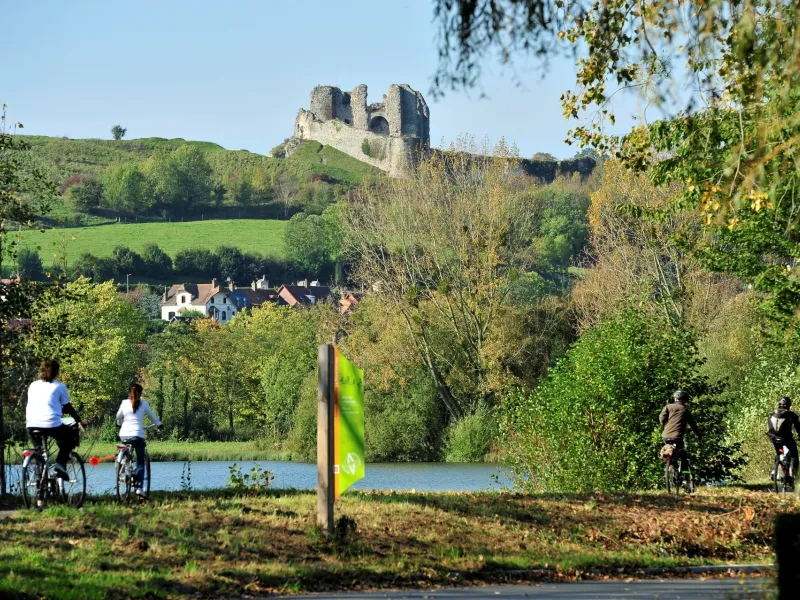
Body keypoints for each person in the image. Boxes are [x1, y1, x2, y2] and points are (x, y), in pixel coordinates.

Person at [26, 359, 85, 479]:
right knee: (69, 437)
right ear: (56, 372)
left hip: (31, 424)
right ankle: (60, 464)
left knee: (39, 453)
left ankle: (40, 484)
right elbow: (67, 407)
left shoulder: (33, 385)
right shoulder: (59, 386)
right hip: (51, 424)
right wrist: (79, 420)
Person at [116, 383, 162, 497]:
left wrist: (120, 423)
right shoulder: (144, 404)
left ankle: (126, 474)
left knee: (127, 456)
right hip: (137, 435)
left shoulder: (124, 403)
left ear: (129, 393)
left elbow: (118, 417)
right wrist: (159, 424)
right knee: (140, 462)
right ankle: (139, 488)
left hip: (124, 435)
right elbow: (153, 417)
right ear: (140, 393)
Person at [659, 389, 702, 469]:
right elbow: (693, 424)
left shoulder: (668, 407)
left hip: (665, 436)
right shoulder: (685, 410)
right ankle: (684, 476)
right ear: (684, 400)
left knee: (672, 453)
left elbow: (662, 418)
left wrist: (665, 425)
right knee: (683, 457)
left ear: (675, 398)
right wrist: (698, 435)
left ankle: (671, 466)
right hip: (677, 437)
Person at [767, 396, 800, 482]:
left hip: (773, 438)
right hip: (786, 438)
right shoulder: (791, 415)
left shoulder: (772, 413)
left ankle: (775, 470)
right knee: (794, 454)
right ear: (789, 405)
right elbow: (798, 428)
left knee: (779, 454)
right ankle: (794, 476)